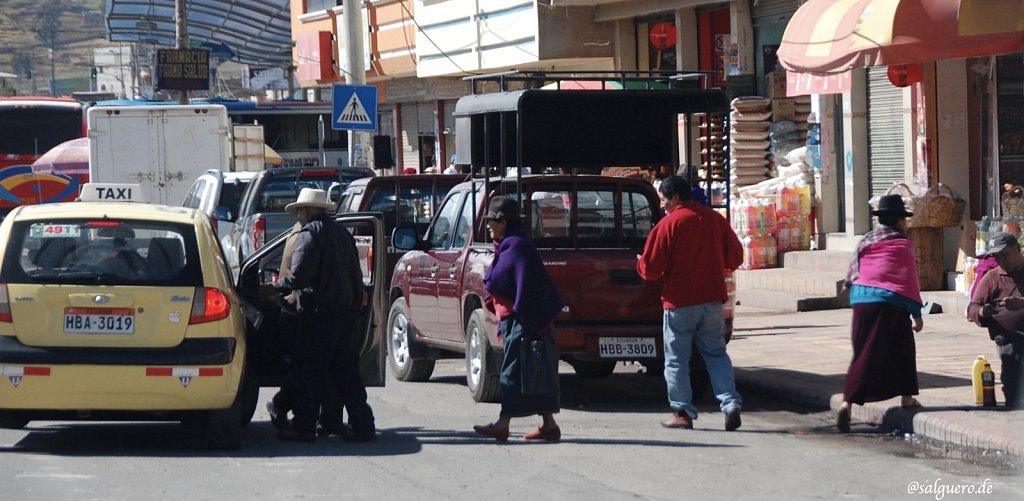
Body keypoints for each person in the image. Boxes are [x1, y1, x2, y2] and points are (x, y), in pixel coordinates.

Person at [263, 188, 372, 441]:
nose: (298, 215)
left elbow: (300, 276)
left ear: (307, 211)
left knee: (309, 374)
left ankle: (303, 426)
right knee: (347, 376)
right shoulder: (342, 234)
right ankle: (363, 425)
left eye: (300, 210)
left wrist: (273, 287)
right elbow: (356, 275)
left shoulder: (309, 234)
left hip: (318, 316)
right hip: (346, 315)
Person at [637, 175, 744, 431]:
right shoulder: (714, 220)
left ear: (674, 198)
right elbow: (736, 257)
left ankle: (682, 412)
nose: (661, 205)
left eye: (663, 199)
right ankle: (730, 404)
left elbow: (650, 270)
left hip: (679, 303)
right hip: (712, 300)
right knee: (716, 354)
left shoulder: (667, 225)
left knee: (676, 360)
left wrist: (639, 263)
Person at [473, 195, 565, 442]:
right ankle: (549, 424)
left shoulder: (517, 246)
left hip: (525, 320)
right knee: (536, 369)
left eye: (492, 221)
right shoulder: (511, 243)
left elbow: (499, 280)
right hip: (527, 319)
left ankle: (503, 424)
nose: (489, 225)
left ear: (504, 222)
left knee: (516, 370)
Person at [836, 194, 924, 433]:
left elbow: (853, 271)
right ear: (898, 221)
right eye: (904, 220)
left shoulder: (866, 239)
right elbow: (909, 280)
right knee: (898, 348)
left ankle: (853, 402)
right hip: (888, 300)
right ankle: (854, 402)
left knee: (870, 349)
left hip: (861, 298)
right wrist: (917, 313)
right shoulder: (903, 244)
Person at [967, 232, 1024, 409]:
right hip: (1009, 338)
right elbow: (972, 307)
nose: (1001, 260)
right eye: (997, 256)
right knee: (1014, 354)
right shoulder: (992, 277)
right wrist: (983, 312)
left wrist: (1021, 304)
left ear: (1017, 249)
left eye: (1004, 254)